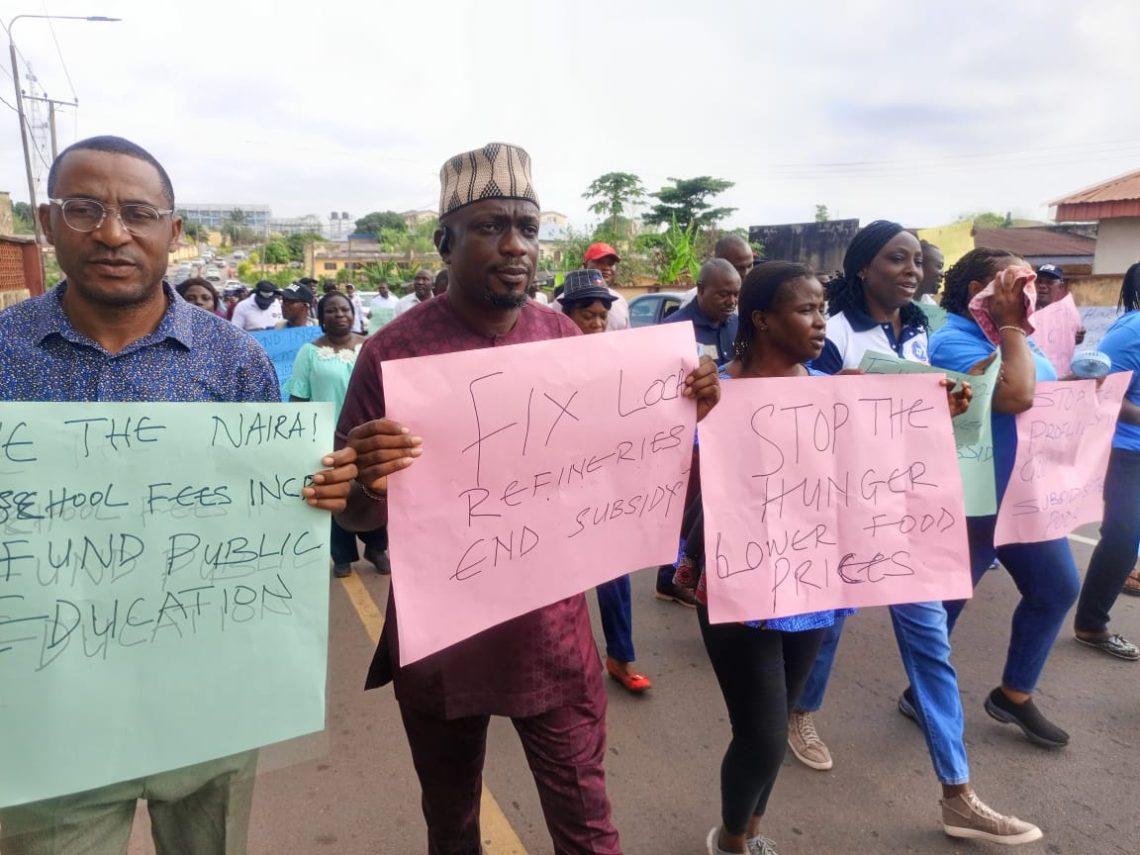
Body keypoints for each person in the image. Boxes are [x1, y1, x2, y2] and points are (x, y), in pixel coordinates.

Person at [333, 142, 720, 854]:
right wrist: (365, 481)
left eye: (528, 227)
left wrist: (682, 409)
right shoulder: (391, 353)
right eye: (489, 227)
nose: (515, 246)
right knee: (451, 825)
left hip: (552, 636)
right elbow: (356, 515)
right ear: (445, 241)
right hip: (443, 643)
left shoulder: (562, 335)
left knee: (588, 827)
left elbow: (617, 469)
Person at [0, 134, 354, 855]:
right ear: (45, 221)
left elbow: (279, 514)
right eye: (83, 209)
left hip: (208, 703)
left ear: (174, 232)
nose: (111, 231)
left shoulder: (237, 362)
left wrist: (324, 485)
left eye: (137, 211)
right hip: (50, 713)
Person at [790, 222, 1041, 845]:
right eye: (894, 259)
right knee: (826, 625)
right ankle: (799, 713)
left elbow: (938, 405)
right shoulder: (835, 332)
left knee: (931, 644)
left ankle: (958, 794)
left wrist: (955, 395)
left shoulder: (921, 330)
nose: (911, 269)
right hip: (846, 508)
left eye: (916, 261)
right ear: (862, 268)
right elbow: (804, 416)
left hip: (908, 508)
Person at [698, 261, 852, 855]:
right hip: (741, 589)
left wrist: (931, 413)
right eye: (807, 309)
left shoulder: (830, 393)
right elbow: (677, 484)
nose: (821, 323)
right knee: (762, 735)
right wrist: (697, 413)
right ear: (761, 318)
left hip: (812, 585)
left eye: (823, 310)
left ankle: (754, 831)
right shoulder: (716, 394)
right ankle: (731, 839)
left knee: (780, 715)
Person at [927, 247, 1081, 751]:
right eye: (1014, 284)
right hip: (976, 498)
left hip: (1026, 494)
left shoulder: (1014, 335)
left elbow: (1041, 385)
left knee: (1056, 587)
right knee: (946, 602)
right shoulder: (951, 341)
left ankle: (1013, 695)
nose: (1027, 294)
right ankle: (923, 692)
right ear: (979, 294)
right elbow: (1014, 396)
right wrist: (1012, 326)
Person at [559, 269, 649, 692]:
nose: (595, 323)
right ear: (566, 314)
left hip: (606, 486)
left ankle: (620, 656)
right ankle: (562, 662)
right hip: (557, 490)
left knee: (615, 576)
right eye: (587, 314)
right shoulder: (544, 363)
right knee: (559, 583)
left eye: (601, 315)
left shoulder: (620, 362)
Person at [286, 290, 389, 576]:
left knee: (376, 490)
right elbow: (298, 397)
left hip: (368, 436)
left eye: (344, 309)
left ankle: (377, 548)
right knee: (336, 495)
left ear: (353, 314)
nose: (339, 314)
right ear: (321, 317)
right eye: (331, 310)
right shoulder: (309, 352)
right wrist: (301, 437)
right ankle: (341, 556)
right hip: (327, 439)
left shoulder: (369, 347)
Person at [1071, 261, 1140, 659]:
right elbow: (1099, 389)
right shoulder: (1132, 332)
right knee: (1123, 537)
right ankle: (1091, 624)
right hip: (1126, 449)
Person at [664, 258, 741, 365]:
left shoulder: (739, 324)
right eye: (724, 295)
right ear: (701, 290)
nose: (732, 302)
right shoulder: (673, 329)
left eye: (736, 295)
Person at [583, 242, 630, 330]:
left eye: (610, 263)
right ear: (585, 266)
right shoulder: (566, 300)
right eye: (600, 262)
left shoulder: (620, 301)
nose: (606, 268)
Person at [917, 239, 944, 303]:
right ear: (920, 267)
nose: (943, 274)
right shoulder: (897, 306)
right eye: (939, 266)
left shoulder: (930, 304)